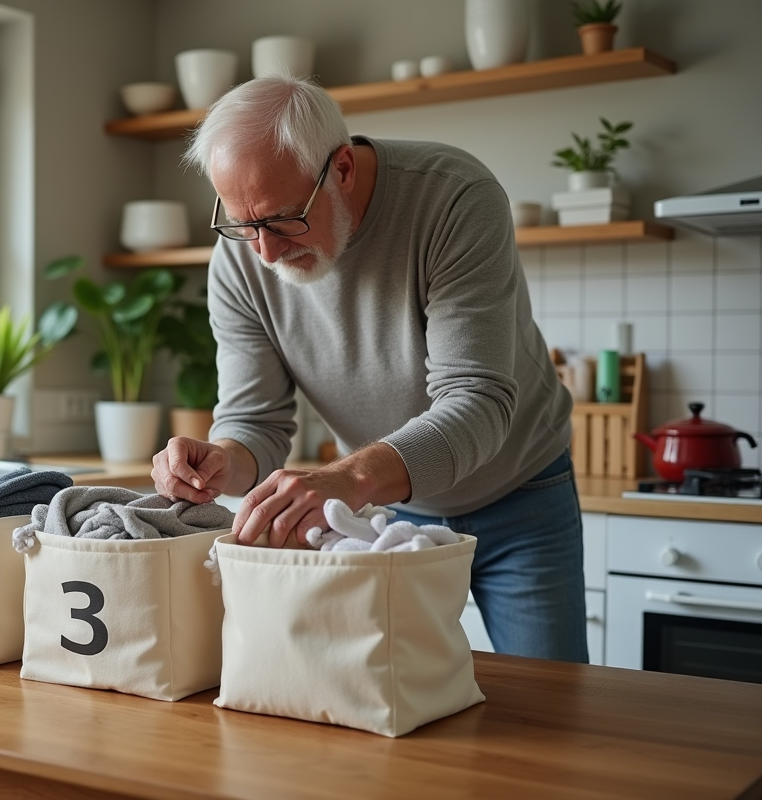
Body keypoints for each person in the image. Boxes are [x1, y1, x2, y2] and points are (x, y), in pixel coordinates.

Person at [150, 75, 586, 663]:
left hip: (518, 493)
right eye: (243, 223)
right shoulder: (241, 256)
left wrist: (348, 478)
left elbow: (476, 402)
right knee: (378, 702)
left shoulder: (455, 198)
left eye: (282, 220)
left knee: (549, 714)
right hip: (378, 509)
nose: (265, 253)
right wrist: (223, 460)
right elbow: (256, 421)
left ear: (344, 170)